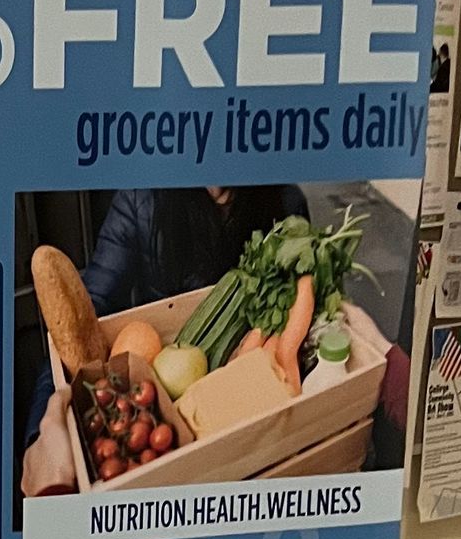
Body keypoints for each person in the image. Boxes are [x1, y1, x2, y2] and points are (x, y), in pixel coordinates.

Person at [21, 184, 307, 497]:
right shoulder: (140, 199)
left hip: (251, 433)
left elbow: (305, 300)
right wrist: (40, 431)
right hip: (160, 385)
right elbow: (79, 321)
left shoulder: (285, 201)